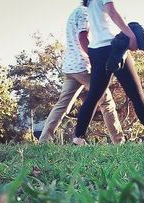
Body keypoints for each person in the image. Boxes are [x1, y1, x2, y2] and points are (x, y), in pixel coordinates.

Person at [73, 0, 144, 145]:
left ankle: (78, 138)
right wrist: (130, 35)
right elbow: (111, 11)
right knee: (136, 94)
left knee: (94, 96)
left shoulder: (89, 2)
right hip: (113, 47)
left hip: (96, 50)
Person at [39, 2, 124, 144]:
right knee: (106, 100)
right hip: (82, 65)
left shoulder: (74, 13)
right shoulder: (85, 13)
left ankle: (44, 140)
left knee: (63, 105)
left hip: (70, 67)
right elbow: (82, 37)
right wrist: (94, 58)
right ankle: (119, 141)